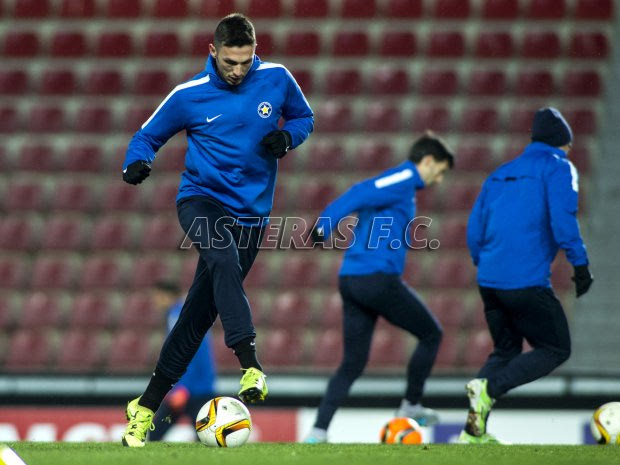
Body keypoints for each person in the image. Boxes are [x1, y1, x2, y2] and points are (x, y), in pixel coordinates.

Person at [120, 13, 314, 447]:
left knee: (195, 319)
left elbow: (304, 117)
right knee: (222, 258)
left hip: (252, 217)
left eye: (246, 61)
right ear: (212, 51)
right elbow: (146, 137)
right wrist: (136, 162)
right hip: (201, 201)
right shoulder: (189, 94)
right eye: (230, 62)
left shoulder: (278, 78)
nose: (238, 70)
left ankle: (144, 408)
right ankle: (250, 363)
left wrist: (288, 138)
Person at [304, 132, 455, 443]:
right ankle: (411, 405)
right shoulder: (404, 178)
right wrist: (325, 223)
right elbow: (360, 191)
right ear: (427, 161)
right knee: (431, 334)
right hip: (376, 278)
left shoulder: (403, 186)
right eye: (440, 171)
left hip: (352, 280)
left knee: (352, 363)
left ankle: (317, 431)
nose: (439, 180)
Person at [458, 107, 593, 444]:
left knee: (505, 351)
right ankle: (490, 389)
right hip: (525, 281)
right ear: (562, 142)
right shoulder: (559, 166)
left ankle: (472, 433)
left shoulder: (500, 173)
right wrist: (580, 265)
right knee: (556, 348)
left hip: (489, 281)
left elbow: (474, 229)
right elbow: (563, 220)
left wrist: (486, 263)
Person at [148, 281, 217, 442]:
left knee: (157, 432)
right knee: (205, 436)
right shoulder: (187, 313)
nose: (155, 301)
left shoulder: (178, 315)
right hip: (200, 386)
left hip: (192, 389)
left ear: (167, 296)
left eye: (157, 296)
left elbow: (187, 352)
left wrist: (182, 387)